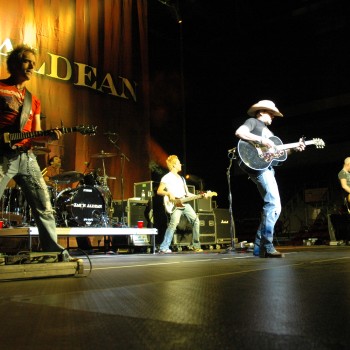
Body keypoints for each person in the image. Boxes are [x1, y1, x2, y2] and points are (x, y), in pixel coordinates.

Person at [0, 44, 71, 260]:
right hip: (2, 155)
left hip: (26, 156)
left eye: (33, 62)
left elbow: (35, 133)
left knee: (43, 203)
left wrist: (48, 137)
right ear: (15, 64)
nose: (32, 66)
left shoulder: (34, 100)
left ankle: (51, 248)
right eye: (27, 61)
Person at [235, 100, 305, 258]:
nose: (273, 116)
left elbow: (278, 156)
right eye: (270, 112)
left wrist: (294, 149)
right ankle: (267, 245)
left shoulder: (271, 134)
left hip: (267, 168)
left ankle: (259, 247)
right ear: (260, 112)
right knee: (273, 204)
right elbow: (239, 132)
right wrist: (261, 140)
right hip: (260, 169)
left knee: (274, 207)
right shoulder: (253, 122)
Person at [157, 155, 204, 253]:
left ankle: (196, 245)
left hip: (184, 202)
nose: (180, 165)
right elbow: (159, 191)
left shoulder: (182, 178)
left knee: (196, 221)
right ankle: (164, 247)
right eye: (179, 163)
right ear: (174, 165)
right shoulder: (166, 177)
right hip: (176, 204)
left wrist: (199, 196)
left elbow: (187, 193)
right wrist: (169, 193)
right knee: (173, 224)